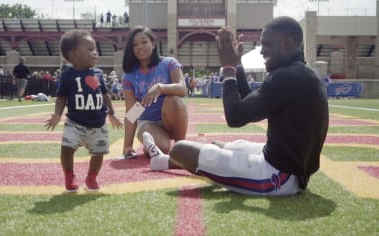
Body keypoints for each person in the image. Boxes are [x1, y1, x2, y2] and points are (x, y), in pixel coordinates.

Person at [142, 16, 329, 196]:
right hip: (292, 170)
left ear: (286, 44)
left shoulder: (285, 77)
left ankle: (170, 158)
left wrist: (229, 69)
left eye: (267, 44)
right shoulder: (302, 74)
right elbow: (251, 106)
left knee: (179, 149)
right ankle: (162, 162)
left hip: (279, 177)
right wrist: (238, 65)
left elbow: (235, 117)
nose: (262, 51)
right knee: (218, 146)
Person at [44, 29, 124, 192]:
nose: (95, 53)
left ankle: (92, 177)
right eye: (90, 50)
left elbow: (105, 95)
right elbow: (61, 97)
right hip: (75, 122)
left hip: (98, 123)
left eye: (95, 49)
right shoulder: (67, 75)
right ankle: (69, 175)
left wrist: (112, 114)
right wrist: (58, 114)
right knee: (67, 148)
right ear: (74, 55)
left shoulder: (99, 74)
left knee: (99, 152)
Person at [121, 25, 188, 168]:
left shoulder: (169, 63)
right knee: (162, 148)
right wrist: (127, 145)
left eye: (144, 42)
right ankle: (152, 144)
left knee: (174, 99)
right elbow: (133, 111)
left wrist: (160, 88)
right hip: (148, 122)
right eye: (135, 44)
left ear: (153, 44)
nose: (140, 47)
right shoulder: (130, 75)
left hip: (170, 118)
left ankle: (181, 146)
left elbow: (183, 89)